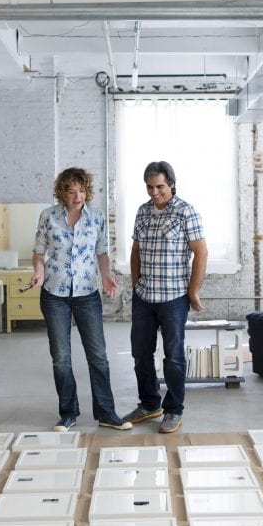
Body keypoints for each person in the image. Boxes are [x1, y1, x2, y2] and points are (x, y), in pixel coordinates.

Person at [31, 167, 132, 432]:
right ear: (61, 193)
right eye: (72, 191)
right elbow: (39, 252)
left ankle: (107, 413)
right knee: (61, 357)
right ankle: (68, 413)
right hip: (54, 294)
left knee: (98, 355)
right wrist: (38, 272)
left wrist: (107, 276)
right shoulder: (48, 217)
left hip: (87, 293)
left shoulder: (96, 217)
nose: (78, 197)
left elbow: (101, 252)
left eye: (82, 190)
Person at [123, 161, 208, 434]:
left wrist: (193, 291)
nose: (154, 192)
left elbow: (201, 252)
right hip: (144, 297)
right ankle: (149, 404)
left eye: (159, 186)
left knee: (173, 356)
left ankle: (173, 410)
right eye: (149, 187)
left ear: (171, 183)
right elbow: (136, 250)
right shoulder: (143, 211)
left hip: (173, 298)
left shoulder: (186, 212)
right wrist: (135, 284)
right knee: (140, 354)